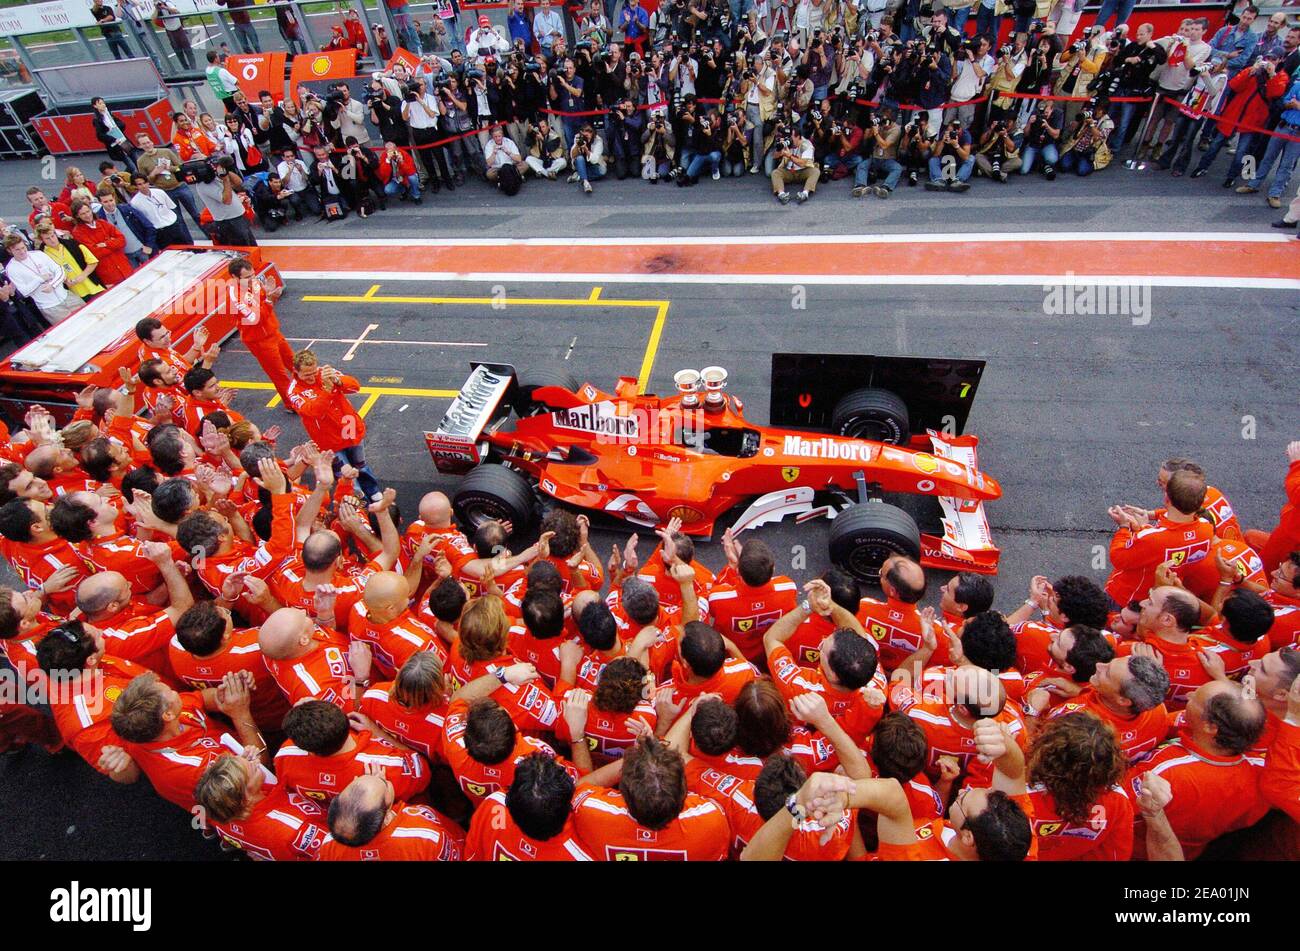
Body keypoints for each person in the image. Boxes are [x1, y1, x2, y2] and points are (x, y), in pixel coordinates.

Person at [286, 349, 381, 500]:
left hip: (349, 428)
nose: (311, 377)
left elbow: (355, 387)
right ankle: (357, 499)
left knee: (360, 464)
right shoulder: (294, 391)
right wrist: (328, 390)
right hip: (328, 439)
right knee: (344, 473)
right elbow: (312, 412)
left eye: (313, 372)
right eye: (306, 375)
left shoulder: (326, 372)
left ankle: (373, 491)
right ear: (296, 372)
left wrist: (338, 381)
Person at [223, 256, 295, 408]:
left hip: (273, 332)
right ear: (235, 277)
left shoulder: (254, 283)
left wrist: (272, 296)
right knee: (280, 375)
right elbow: (256, 318)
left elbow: (266, 307)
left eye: (253, 275)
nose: (252, 279)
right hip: (259, 341)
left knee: (293, 364)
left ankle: (303, 393)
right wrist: (269, 299)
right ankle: (292, 404)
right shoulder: (235, 297)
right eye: (247, 277)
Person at [3, 235, 82, 325]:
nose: (22, 251)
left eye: (23, 247)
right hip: (50, 307)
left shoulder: (38, 254)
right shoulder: (12, 268)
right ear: (10, 251)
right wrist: (39, 279)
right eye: (17, 250)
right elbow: (25, 292)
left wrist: (53, 285)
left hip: (67, 296)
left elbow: (59, 270)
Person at [195, 157, 257, 247]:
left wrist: (226, 170)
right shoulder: (203, 185)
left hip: (238, 217)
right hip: (229, 222)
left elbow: (239, 183)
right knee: (243, 249)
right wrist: (225, 179)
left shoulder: (216, 176)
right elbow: (227, 200)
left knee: (252, 245)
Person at [69, 200, 132, 288]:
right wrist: (113, 244)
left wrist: (105, 244)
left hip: (124, 267)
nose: (87, 215)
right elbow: (94, 253)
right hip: (108, 275)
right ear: (77, 216)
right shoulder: (78, 232)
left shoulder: (102, 223)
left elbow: (122, 240)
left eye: (88, 211)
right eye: (83, 214)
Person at [771, 127, 818, 204]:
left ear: (798, 137)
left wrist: (789, 156)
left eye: (791, 137)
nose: (789, 140)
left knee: (815, 171)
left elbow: (802, 163)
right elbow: (775, 156)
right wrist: (779, 148)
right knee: (775, 173)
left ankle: (805, 193)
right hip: (789, 171)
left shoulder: (807, 145)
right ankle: (782, 194)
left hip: (803, 171)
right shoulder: (787, 143)